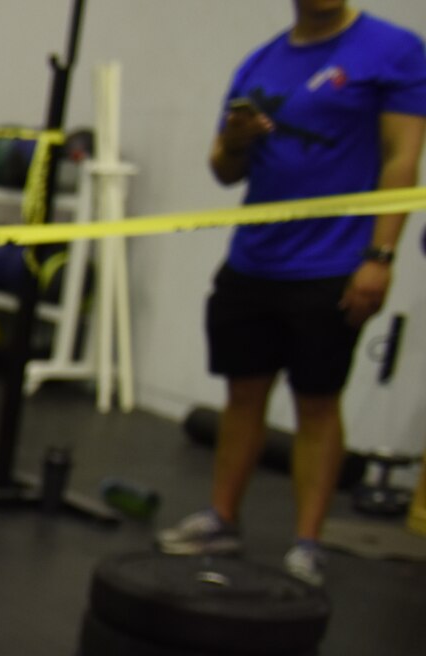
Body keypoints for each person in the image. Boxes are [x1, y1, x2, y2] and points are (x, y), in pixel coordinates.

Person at [158, 0, 425, 587]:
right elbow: (224, 169)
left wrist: (379, 257)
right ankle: (222, 518)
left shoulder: (392, 51)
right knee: (242, 396)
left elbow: (402, 159)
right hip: (254, 258)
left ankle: (308, 542)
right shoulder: (260, 62)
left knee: (318, 402)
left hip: (332, 262)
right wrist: (235, 139)